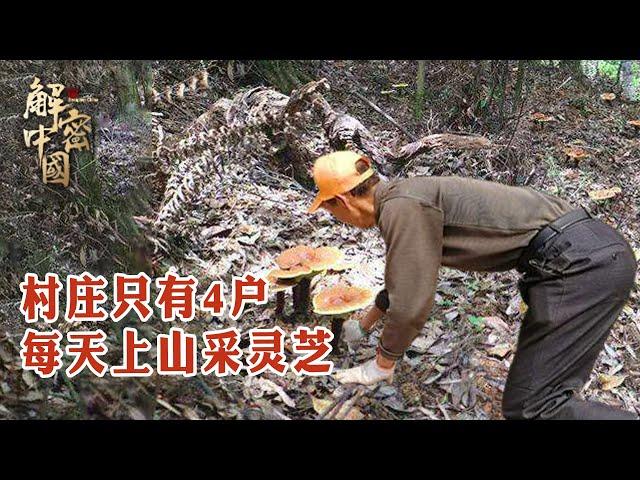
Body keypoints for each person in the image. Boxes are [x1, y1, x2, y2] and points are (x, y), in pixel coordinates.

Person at [307, 150, 638, 420]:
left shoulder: (401, 207)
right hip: (590, 253)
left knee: (535, 407)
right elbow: (404, 278)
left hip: (578, 265)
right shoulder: (405, 197)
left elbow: (409, 303)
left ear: (343, 201)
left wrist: (381, 363)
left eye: (329, 209)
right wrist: (364, 326)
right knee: (537, 398)